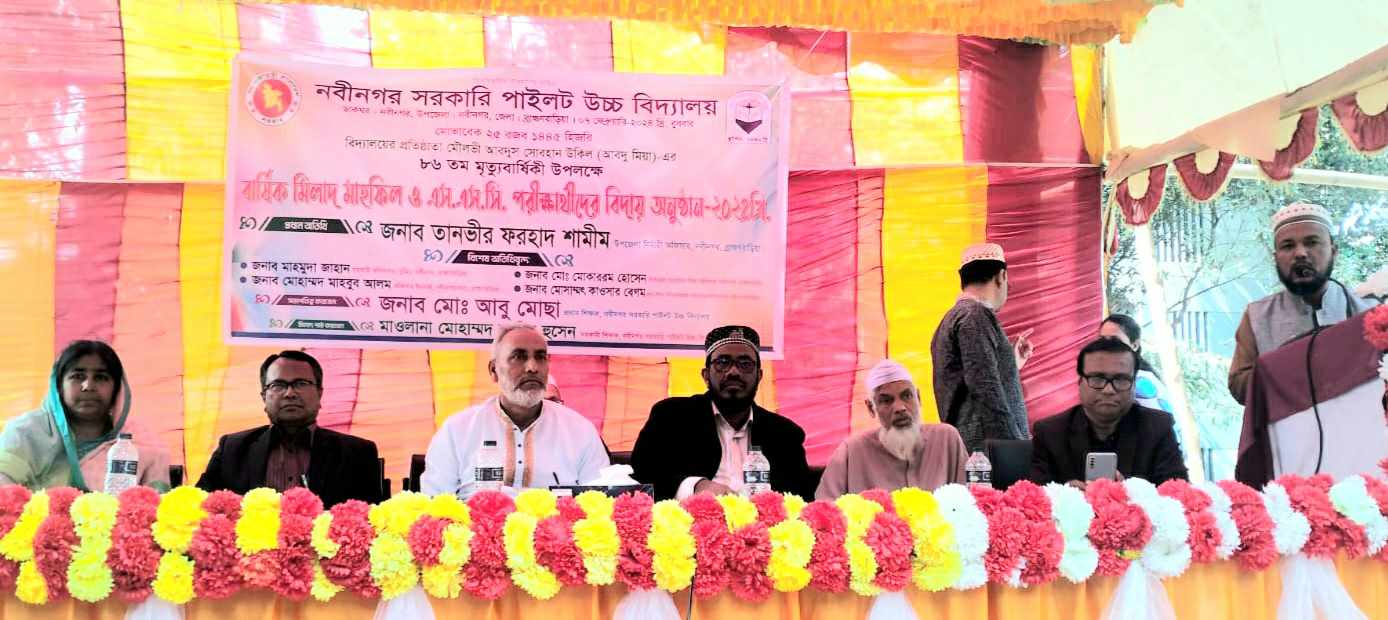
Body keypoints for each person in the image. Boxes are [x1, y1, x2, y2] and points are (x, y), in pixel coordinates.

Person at [421, 323, 608, 498]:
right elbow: (435, 504)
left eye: (540, 357)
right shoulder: (457, 431)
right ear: (494, 370)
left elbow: (599, 505)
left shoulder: (580, 432)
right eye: (518, 357)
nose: (532, 367)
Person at [631, 325, 814, 500]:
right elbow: (643, 473)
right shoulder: (671, 417)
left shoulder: (784, 434)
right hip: (688, 520)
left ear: (759, 376)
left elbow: (802, 498)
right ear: (705, 375)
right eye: (723, 362)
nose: (733, 372)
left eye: (745, 364)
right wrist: (695, 486)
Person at [1228, 202, 1378, 404]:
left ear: (1333, 251)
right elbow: (1239, 387)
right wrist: (1293, 364)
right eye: (1288, 246)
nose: (1300, 253)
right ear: (1276, 258)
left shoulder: (1370, 312)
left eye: (1312, 242)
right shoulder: (1257, 316)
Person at [197, 350, 383, 507]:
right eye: (278, 385)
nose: (290, 393)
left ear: (319, 393)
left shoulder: (356, 453)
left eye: (301, 384)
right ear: (264, 396)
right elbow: (199, 509)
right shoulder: (232, 449)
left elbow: (372, 522)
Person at [0, 340, 170, 491]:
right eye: (78, 376)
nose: (88, 386)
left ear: (117, 389)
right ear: (59, 386)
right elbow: (5, 495)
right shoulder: (25, 433)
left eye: (101, 377)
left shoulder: (141, 444)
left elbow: (159, 506)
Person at [1029, 337, 1188, 488]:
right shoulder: (1050, 433)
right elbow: (1036, 497)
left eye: (1121, 380)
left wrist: (1130, 495)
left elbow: (1178, 494)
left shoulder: (1158, 428)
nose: (1108, 390)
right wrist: (1064, 496)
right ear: (1080, 382)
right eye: (1097, 378)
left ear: (1134, 384)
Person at [930, 243, 1033, 453]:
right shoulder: (974, 316)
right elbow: (985, 388)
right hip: (988, 453)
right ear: (1001, 276)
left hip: (976, 449)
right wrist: (1014, 450)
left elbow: (971, 379)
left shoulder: (951, 320)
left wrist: (1011, 364)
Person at [815, 360, 967, 500]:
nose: (900, 408)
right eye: (886, 401)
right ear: (871, 408)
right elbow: (824, 508)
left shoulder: (946, 439)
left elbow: (971, 501)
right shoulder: (851, 451)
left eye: (907, 396)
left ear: (919, 398)